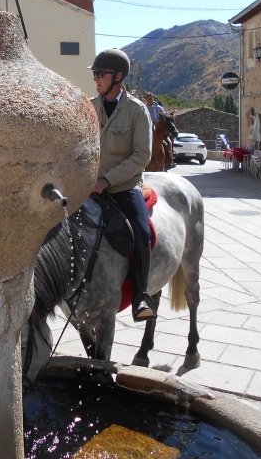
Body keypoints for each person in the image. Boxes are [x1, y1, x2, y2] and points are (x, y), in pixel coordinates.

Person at [88, 50, 156, 321]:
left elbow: (142, 156)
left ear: (117, 77)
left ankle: (141, 297)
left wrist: (107, 180)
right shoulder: (89, 106)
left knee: (142, 233)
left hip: (124, 186)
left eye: (100, 74)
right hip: (91, 185)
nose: (95, 79)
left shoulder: (137, 111)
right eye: (94, 73)